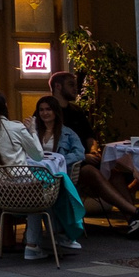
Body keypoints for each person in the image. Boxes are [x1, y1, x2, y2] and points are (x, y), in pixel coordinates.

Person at [0, 91, 80, 260]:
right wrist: (33, 132)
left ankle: (44, 241)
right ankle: (44, 241)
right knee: (47, 191)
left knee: (40, 192)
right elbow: (38, 155)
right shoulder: (16, 128)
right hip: (23, 188)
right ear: (5, 107)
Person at [28, 94, 87, 254]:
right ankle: (55, 235)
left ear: (55, 111)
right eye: (41, 110)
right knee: (39, 196)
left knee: (40, 197)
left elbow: (80, 153)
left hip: (58, 175)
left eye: (48, 109)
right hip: (35, 175)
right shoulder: (33, 132)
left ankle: (35, 243)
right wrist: (30, 132)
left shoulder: (68, 133)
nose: (44, 113)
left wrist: (60, 159)